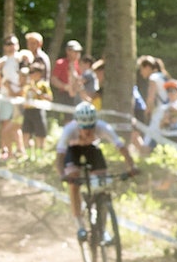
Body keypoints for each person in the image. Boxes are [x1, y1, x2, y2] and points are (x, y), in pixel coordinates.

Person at [55, 102, 137, 242]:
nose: (88, 131)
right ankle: (80, 225)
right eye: (84, 128)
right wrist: (63, 174)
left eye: (91, 127)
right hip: (72, 151)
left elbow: (121, 147)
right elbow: (60, 156)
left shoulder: (103, 127)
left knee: (101, 184)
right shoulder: (69, 130)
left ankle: (102, 228)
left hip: (92, 150)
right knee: (73, 181)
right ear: (77, 124)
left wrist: (131, 167)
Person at [145, 79, 177, 152]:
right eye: (168, 91)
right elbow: (160, 126)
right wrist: (165, 120)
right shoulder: (163, 107)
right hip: (166, 137)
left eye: (172, 90)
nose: (170, 93)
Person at [21, 62, 52, 150]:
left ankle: (40, 154)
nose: (30, 74)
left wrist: (38, 92)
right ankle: (27, 153)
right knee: (26, 132)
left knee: (40, 133)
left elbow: (49, 98)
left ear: (38, 73)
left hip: (38, 111)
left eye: (32, 72)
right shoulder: (28, 85)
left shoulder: (43, 85)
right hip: (27, 111)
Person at [49, 40, 84, 108]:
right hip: (63, 95)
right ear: (68, 51)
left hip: (75, 94)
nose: (77, 53)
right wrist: (65, 87)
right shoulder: (61, 63)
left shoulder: (77, 64)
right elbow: (53, 79)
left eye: (78, 52)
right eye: (75, 51)